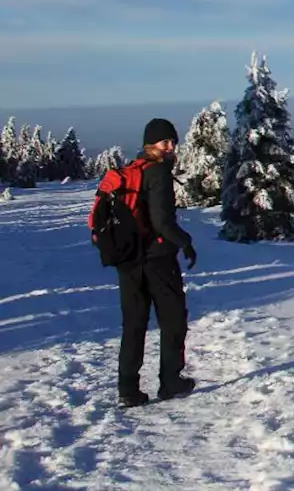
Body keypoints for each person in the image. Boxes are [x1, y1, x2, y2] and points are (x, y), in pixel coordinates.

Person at [117, 118, 199, 407]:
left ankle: (128, 389)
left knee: (134, 324)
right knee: (173, 318)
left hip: (127, 262)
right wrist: (185, 242)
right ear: (150, 144)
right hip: (157, 260)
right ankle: (171, 381)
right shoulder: (158, 174)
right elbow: (162, 222)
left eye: (173, 142)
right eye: (165, 142)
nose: (170, 147)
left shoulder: (130, 172)